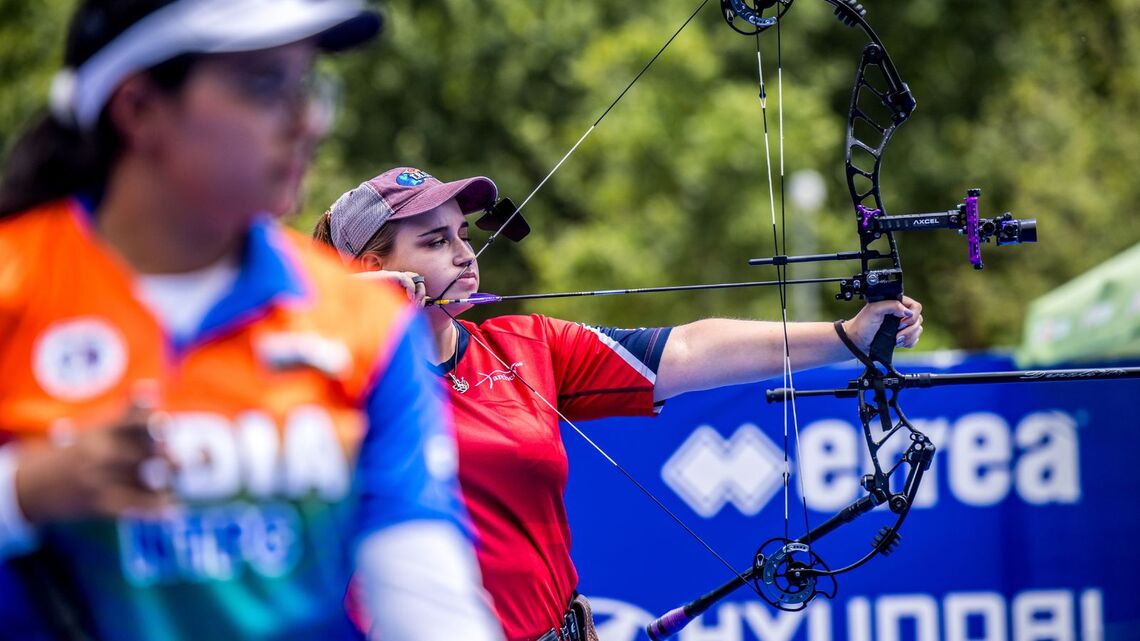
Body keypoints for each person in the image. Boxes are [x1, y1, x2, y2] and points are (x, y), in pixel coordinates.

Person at [0, 3, 502, 640]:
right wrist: (26, 491)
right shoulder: (14, 284)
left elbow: (426, 599)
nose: (306, 121)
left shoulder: (362, 322)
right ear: (138, 108)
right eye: (263, 85)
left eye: (306, 85)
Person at [312, 166, 926, 641]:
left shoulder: (524, 347)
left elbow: (685, 351)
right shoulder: (321, 375)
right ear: (373, 270)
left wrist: (846, 335)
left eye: (464, 235)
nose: (464, 254)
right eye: (434, 241)